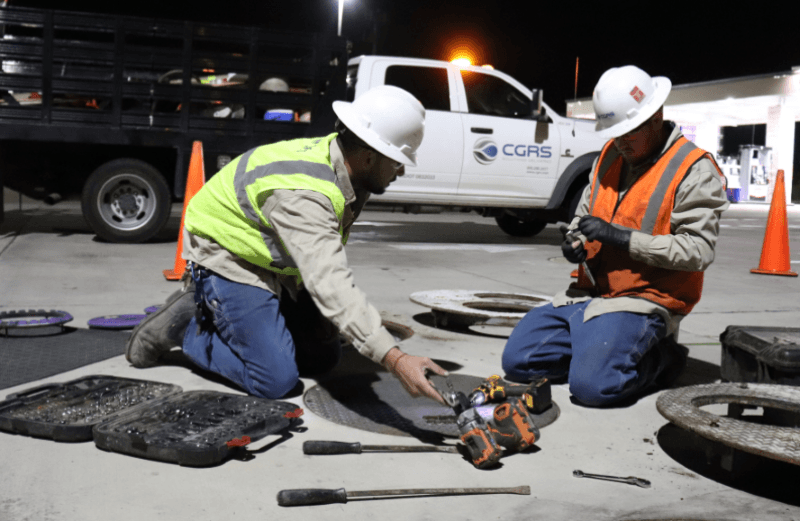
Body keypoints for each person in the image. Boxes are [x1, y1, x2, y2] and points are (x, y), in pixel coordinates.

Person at [126, 85, 447, 404]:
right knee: (276, 379)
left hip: (274, 255)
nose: (401, 169)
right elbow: (330, 282)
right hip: (229, 254)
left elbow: (318, 256)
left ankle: (257, 319)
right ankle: (188, 330)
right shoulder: (306, 194)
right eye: (395, 160)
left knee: (321, 359)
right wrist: (395, 358)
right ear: (367, 156)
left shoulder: (346, 166)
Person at [502, 65, 729, 407]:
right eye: (614, 132)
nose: (619, 141)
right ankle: (597, 345)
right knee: (519, 362)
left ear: (655, 117)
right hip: (589, 295)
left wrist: (622, 238)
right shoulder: (609, 155)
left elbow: (697, 250)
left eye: (628, 132)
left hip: (645, 301)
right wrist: (574, 242)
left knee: (594, 388)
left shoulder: (693, 169)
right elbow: (583, 215)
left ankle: (662, 356)